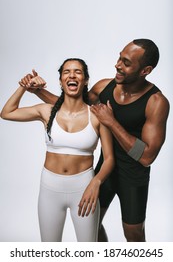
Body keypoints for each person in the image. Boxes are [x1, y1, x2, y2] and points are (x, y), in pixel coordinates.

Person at [19, 39, 170, 242]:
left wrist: (111, 121)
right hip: (105, 169)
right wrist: (37, 91)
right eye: (119, 58)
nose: (117, 64)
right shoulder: (104, 87)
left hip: (133, 176)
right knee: (92, 224)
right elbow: (71, 107)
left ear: (145, 70)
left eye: (126, 62)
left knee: (133, 233)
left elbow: (146, 157)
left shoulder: (156, 102)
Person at [0, 58, 115, 242]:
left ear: (85, 80)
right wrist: (24, 85)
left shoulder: (96, 115)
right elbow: (7, 113)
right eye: (66, 72)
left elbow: (109, 159)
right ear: (61, 80)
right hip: (50, 188)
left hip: (84, 188)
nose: (72, 75)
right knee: (50, 251)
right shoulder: (46, 111)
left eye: (78, 72)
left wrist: (96, 183)